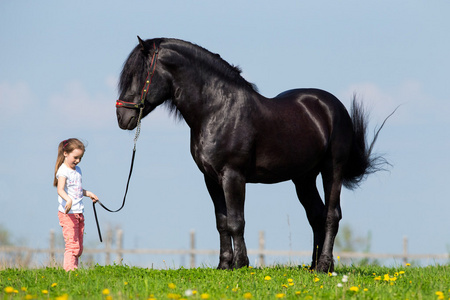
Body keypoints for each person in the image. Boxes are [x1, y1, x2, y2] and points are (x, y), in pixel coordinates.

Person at [53, 138, 98, 271]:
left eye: (80, 158)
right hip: (68, 214)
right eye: (75, 157)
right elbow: (60, 190)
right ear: (65, 153)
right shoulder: (63, 171)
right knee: (72, 245)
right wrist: (68, 200)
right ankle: (69, 272)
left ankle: (74, 269)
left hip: (79, 213)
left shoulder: (77, 170)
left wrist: (88, 193)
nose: (77, 161)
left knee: (78, 247)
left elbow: (77, 190)